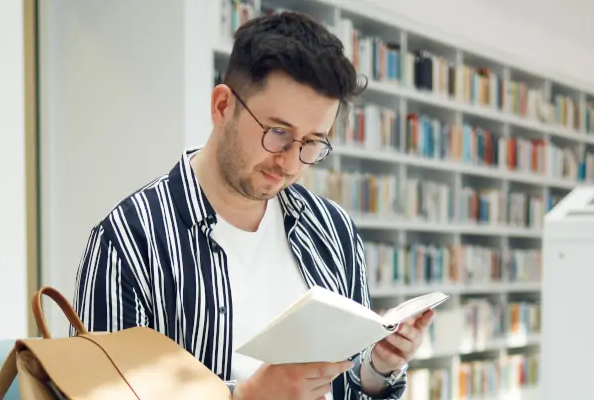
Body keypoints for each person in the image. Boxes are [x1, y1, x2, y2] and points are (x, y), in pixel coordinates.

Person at [71, 11, 434, 400]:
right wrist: (243, 397)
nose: (291, 163)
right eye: (278, 133)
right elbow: (98, 395)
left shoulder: (332, 230)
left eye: (312, 142)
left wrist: (375, 370)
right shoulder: (128, 241)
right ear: (223, 106)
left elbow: (344, 389)